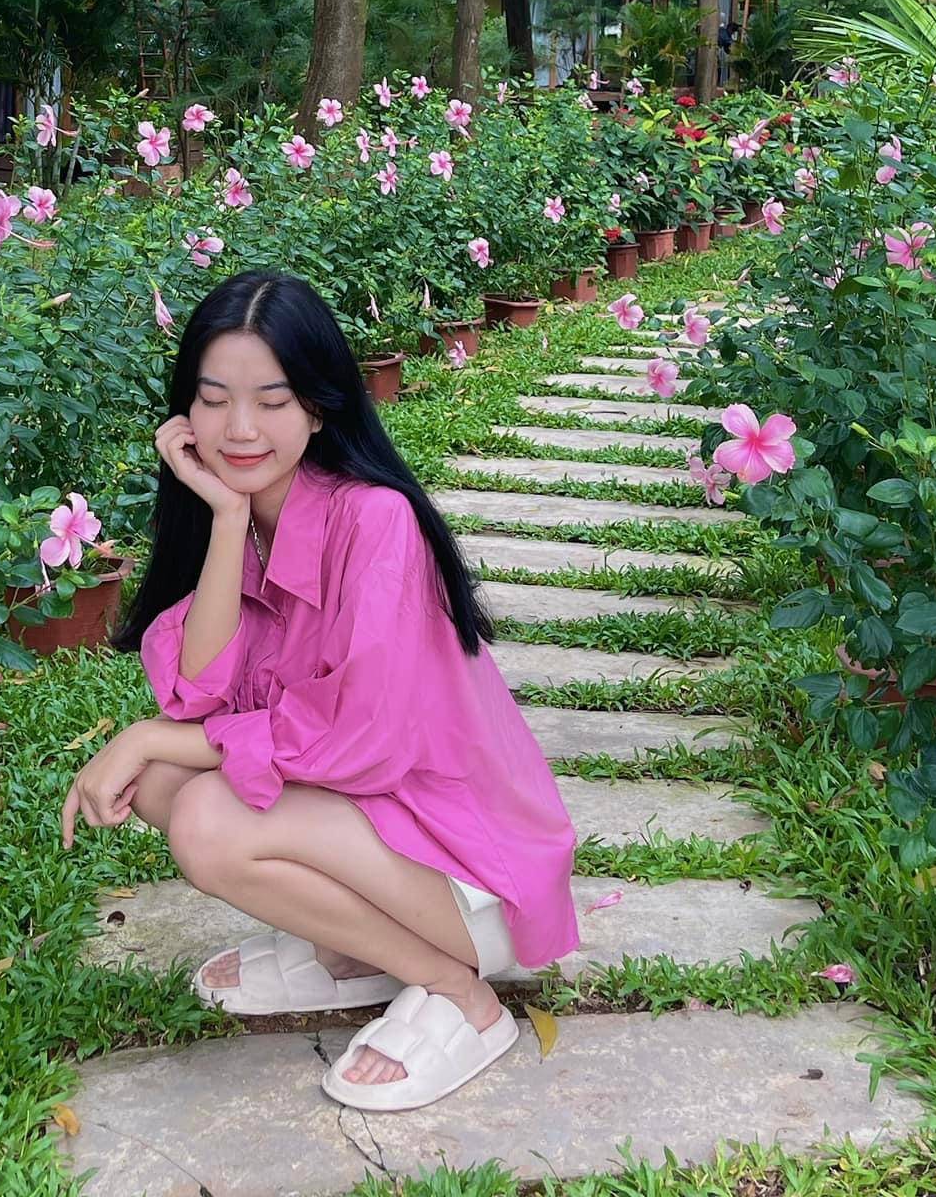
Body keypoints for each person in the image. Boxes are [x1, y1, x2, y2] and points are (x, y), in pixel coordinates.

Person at [59, 268, 580, 1112]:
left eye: (271, 400)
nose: (239, 429)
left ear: (318, 406)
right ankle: (349, 953)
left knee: (205, 816)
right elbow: (198, 694)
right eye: (214, 399)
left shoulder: (375, 519)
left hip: (474, 880)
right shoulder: (244, 519)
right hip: (382, 843)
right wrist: (227, 519)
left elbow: (356, 737)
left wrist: (145, 734)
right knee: (164, 783)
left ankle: (458, 993)